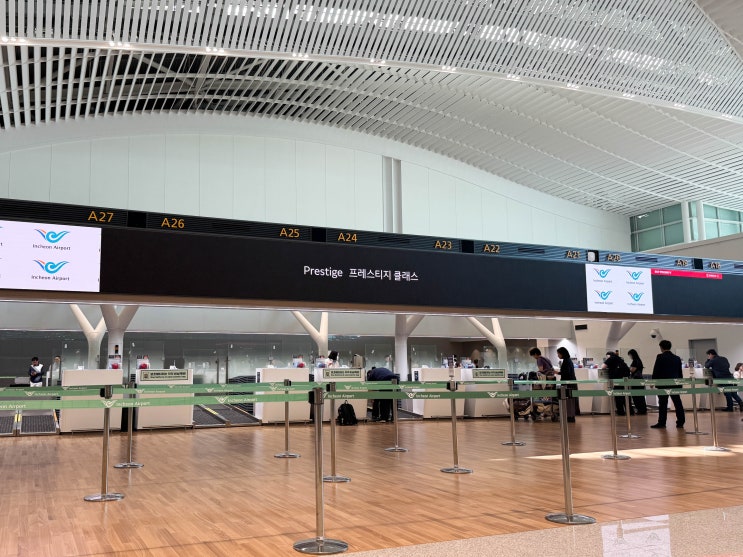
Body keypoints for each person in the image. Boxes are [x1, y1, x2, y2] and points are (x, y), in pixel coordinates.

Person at [651, 340, 685, 429]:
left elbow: (656, 370)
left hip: (663, 384)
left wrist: (653, 382)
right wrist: (680, 384)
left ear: (661, 347)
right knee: (677, 403)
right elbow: (679, 372)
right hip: (675, 383)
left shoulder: (660, 357)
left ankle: (662, 422)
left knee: (663, 403)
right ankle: (681, 422)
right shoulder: (677, 358)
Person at [602, 350, 631, 415]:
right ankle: (630, 411)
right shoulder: (620, 359)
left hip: (617, 380)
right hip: (624, 379)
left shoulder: (611, 358)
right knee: (626, 396)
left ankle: (620, 412)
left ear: (608, 355)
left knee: (618, 396)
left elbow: (603, 367)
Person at [555, 346, 576, 422]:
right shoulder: (568, 360)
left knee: (568, 400)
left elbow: (567, 372)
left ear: (562, 353)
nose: (558, 355)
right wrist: (558, 373)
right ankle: (570, 415)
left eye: (558, 354)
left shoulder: (566, 361)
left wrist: (559, 373)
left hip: (568, 384)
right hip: (570, 383)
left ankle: (569, 416)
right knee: (570, 400)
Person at [627, 349, 648, 415]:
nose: (630, 357)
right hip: (639, 380)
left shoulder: (635, 361)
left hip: (636, 380)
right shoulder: (639, 360)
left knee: (636, 396)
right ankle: (642, 410)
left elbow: (632, 370)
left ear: (632, 354)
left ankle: (640, 410)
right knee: (640, 396)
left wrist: (628, 368)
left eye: (630, 355)